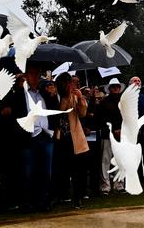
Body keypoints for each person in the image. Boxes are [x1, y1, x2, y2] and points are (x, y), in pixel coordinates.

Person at [14, 62, 55, 213]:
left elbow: (53, 110)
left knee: (46, 171)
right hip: (29, 137)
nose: (35, 77)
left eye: (38, 74)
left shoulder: (44, 93)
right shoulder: (19, 94)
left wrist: (52, 95)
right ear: (26, 76)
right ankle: (26, 202)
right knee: (28, 171)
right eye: (32, 74)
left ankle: (42, 201)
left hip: (45, 136)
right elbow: (15, 116)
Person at [52, 72, 89, 209]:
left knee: (77, 171)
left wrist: (80, 99)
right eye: (68, 82)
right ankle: (60, 195)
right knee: (60, 170)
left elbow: (83, 113)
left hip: (74, 138)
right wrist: (66, 98)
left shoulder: (75, 96)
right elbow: (59, 112)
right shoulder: (55, 96)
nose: (70, 85)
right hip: (60, 137)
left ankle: (78, 197)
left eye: (71, 82)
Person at [95, 78, 125, 194]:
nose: (116, 89)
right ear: (110, 89)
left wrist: (122, 130)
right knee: (105, 161)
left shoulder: (123, 101)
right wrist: (113, 130)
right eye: (113, 87)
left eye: (117, 87)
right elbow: (100, 120)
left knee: (120, 161)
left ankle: (119, 185)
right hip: (107, 135)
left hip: (121, 136)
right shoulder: (104, 103)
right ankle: (105, 186)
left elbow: (127, 118)